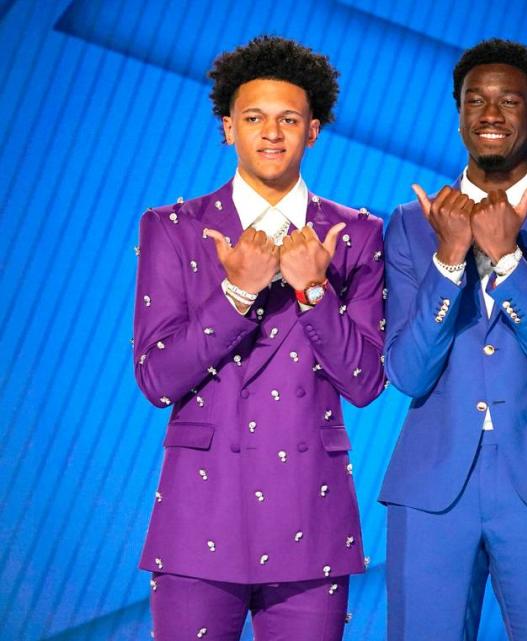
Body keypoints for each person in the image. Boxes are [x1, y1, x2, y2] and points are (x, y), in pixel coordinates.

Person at [132, 35, 385, 641]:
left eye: (289, 119)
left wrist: (313, 291)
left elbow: (366, 382)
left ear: (314, 131)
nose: (271, 133)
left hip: (312, 513)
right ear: (227, 129)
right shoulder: (174, 229)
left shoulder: (355, 235)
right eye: (253, 118)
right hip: (200, 512)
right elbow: (156, 378)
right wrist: (237, 295)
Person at [379, 38, 527, 641]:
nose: (490, 113)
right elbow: (406, 372)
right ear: (458, 112)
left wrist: (509, 260)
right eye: (475, 100)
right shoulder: (410, 224)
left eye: (509, 101)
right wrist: (450, 259)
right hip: (433, 488)